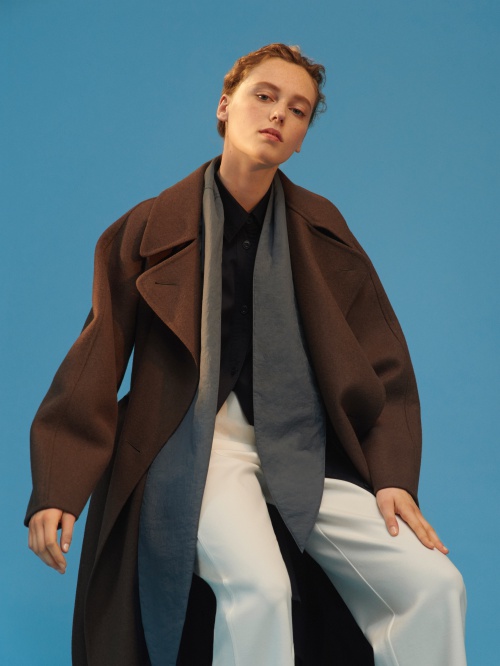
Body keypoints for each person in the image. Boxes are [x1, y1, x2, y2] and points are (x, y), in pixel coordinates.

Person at [26, 43, 467, 666]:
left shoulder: (323, 230)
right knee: (260, 590)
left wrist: (393, 476)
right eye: (264, 95)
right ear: (225, 105)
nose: (279, 114)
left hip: (307, 446)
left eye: (299, 109)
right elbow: (94, 362)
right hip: (196, 448)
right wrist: (59, 487)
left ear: (302, 138)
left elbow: (385, 362)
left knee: (434, 585)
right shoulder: (144, 229)